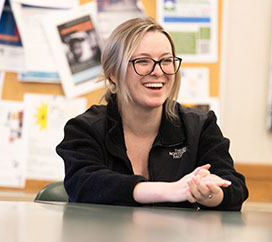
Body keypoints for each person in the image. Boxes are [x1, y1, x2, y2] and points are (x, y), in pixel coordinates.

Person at [56, 17, 248, 211]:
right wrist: (170, 190)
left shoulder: (200, 126)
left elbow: (234, 187)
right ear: (113, 73)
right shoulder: (85, 129)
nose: (158, 72)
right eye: (143, 61)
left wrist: (211, 192)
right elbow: (84, 185)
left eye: (166, 60)